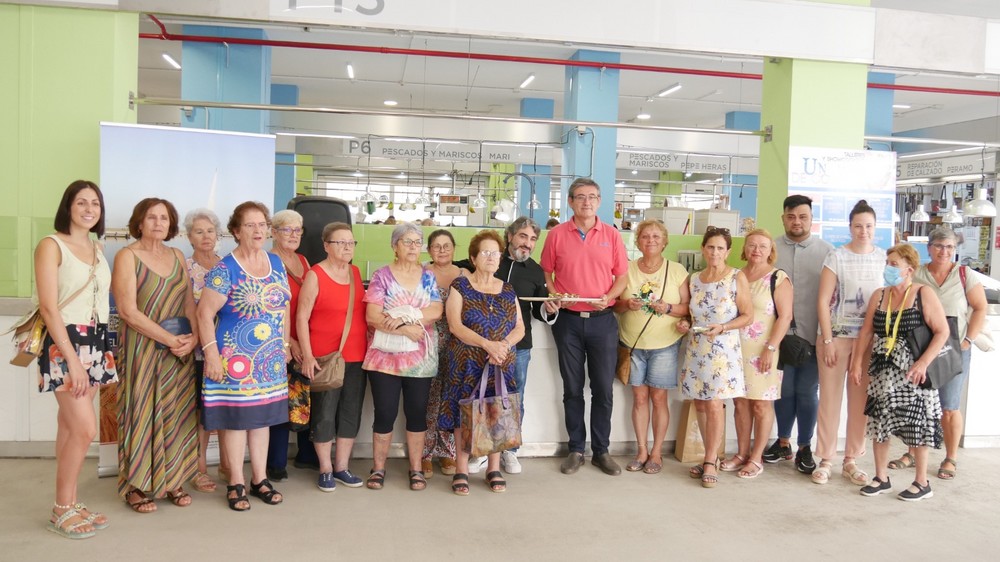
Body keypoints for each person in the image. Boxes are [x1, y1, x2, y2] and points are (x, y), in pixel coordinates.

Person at [35, 180, 117, 539]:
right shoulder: (51, 245)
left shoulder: (97, 247)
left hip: (96, 340)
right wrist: (71, 359)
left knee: (70, 427)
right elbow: (48, 307)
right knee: (85, 429)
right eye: (81, 202)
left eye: (95, 203)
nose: (89, 209)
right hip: (65, 343)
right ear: (68, 206)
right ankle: (61, 509)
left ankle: (69, 501)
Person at [197, 201, 291, 511]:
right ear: (236, 231)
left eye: (262, 224)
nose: (258, 230)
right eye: (250, 225)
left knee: (262, 421)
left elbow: (284, 306)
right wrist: (211, 355)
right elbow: (204, 313)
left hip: (269, 360)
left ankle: (259, 479)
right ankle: (236, 481)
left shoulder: (276, 263)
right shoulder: (225, 269)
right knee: (237, 422)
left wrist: (285, 345)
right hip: (234, 360)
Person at [113, 198, 199, 513]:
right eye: (152, 217)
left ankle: (172, 478)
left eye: (164, 218)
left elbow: (189, 302)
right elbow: (127, 311)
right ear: (139, 222)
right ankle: (134, 486)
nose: (159, 223)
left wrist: (194, 339)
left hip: (178, 352)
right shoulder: (127, 256)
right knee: (140, 411)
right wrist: (169, 339)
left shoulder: (177, 255)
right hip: (142, 348)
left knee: (176, 412)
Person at [540, 178, 629, 476]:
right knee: (572, 388)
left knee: (603, 389)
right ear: (570, 202)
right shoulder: (556, 235)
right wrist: (555, 293)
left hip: (603, 322)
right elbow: (546, 273)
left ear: (599, 201)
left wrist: (610, 296)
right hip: (568, 322)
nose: (586, 202)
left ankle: (601, 451)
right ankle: (576, 449)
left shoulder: (612, 235)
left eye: (592, 196)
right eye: (580, 197)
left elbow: (621, 278)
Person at [849, 244, 948, 501]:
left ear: (909, 270)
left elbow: (942, 331)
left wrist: (923, 362)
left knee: (917, 424)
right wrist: (857, 362)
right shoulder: (879, 295)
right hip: (883, 371)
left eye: (894, 264)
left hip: (913, 372)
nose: (888, 268)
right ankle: (881, 478)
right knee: (880, 423)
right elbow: (867, 332)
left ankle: (922, 482)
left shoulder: (922, 294)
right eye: (887, 263)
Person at [889, 227, 988, 480]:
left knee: (949, 406)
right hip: (921, 350)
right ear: (929, 248)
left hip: (953, 351)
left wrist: (968, 340)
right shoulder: (918, 273)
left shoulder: (964, 275)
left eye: (950, 247)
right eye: (939, 246)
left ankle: (950, 457)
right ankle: (911, 453)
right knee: (916, 404)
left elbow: (980, 307)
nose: (944, 251)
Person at [456, 217, 553, 475]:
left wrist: (549, 309)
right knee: (479, 399)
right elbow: (456, 269)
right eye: (523, 236)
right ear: (509, 236)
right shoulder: (485, 259)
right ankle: (480, 450)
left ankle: (509, 450)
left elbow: (537, 312)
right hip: (477, 347)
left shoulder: (535, 271)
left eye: (533, 239)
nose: (527, 243)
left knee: (511, 399)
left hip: (517, 347)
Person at [439, 230, 525, 495]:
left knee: (496, 410)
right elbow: (455, 326)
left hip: (500, 362)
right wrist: (488, 344)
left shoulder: (507, 289)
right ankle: (461, 470)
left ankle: (493, 469)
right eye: (485, 252)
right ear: (474, 258)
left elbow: (520, 327)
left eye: (495, 253)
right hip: (466, 362)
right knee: (463, 414)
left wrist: (503, 346)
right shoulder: (460, 286)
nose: (491, 257)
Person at [362, 223, 443, 491]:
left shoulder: (428, 276)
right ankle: (378, 468)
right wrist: (405, 328)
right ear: (394, 245)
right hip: (384, 359)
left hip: (420, 359)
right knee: (384, 412)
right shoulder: (382, 276)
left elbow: (436, 310)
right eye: (407, 241)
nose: (413, 247)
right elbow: (372, 316)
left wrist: (404, 316)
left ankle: (416, 468)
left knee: (417, 413)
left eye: (417, 242)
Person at [813, 200, 885, 486]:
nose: (863, 231)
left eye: (868, 226)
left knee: (861, 402)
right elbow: (823, 301)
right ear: (850, 227)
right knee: (829, 400)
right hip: (836, 338)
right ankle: (826, 459)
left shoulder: (884, 258)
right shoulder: (836, 257)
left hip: (869, 341)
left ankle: (851, 459)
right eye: (858, 226)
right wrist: (828, 339)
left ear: (875, 227)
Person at [763, 195, 833, 474]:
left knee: (806, 391)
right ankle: (783, 442)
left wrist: (828, 336)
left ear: (811, 219)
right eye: (791, 217)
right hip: (778, 336)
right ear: (783, 218)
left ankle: (805, 446)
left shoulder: (827, 252)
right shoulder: (771, 249)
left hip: (813, 335)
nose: (797, 222)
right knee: (783, 391)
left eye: (803, 217)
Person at [613, 219, 689, 475]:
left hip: (665, 344)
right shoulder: (626, 269)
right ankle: (641, 450)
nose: (651, 241)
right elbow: (615, 305)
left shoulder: (677, 270)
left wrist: (668, 307)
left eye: (656, 236)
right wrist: (627, 304)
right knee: (639, 399)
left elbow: (687, 308)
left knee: (659, 398)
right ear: (638, 241)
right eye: (645, 236)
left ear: (665, 241)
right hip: (632, 344)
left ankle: (656, 452)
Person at [297, 222, 369, 491]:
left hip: (356, 356)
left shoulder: (355, 272)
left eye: (351, 242)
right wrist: (307, 355)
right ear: (326, 246)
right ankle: (325, 469)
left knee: (350, 412)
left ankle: (342, 467)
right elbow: (301, 317)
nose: (348, 247)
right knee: (324, 414)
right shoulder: (315, 275)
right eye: (341, 242)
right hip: (324, 358)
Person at [680, 226, 753, 488]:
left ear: (728, 251)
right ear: (703, 249)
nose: (715, 252)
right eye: (710, 247)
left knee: (714, 404)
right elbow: (690, 314)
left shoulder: (736, 277)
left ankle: (711, 460)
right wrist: (684, 324)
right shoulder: (694, 279)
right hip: (697, 347)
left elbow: (748, 316)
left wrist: (723, 327)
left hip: (723, 350)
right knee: (700, 403)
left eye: (720, 248)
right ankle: (708, 455)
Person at [719, 228, 792, 479]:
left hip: (764, 351)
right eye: (751, 245)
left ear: (771, 250)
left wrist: (770, 348)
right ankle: (741, 453)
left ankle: (756, 457)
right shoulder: (736, 275)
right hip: (735, 350)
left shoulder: (778, 278)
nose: (756, 250)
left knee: (761, 404)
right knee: (740, 403)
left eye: (762, 246)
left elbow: (785, 317)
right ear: (744, 249)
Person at [265, 210, 317, 481]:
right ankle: (276, 462)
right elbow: (271, 307)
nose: (294, 235)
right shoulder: (268, 261)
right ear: (273, 232)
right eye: (287, 229)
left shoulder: (303, 260)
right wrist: (290, 341)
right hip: (279, 341)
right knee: (279, 402)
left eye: (298, 230)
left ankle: (306, 455)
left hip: (304, 339)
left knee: (306, 397)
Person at [183, 208, 228, 493]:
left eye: (210, 231)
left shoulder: (227, 265)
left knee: (225, 408)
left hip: (229, 350)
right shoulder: (185, 268)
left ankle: (226, 463)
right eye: (199, 232)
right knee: (202, 412)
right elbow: (185, 310)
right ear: (189, 237)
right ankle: (198, 469)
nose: (206, 236)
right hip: (198, 351)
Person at [421, 230, 468, 478]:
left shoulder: (464, 275)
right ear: (429, 249)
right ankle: (424, 453)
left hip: (457, 343)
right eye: (436, 246)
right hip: (425, 343)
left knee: (451, 398)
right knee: (427, 398)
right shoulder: (420, 272)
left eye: (446, 245)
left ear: (454, 248)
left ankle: (447, 451)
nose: (441, 250)